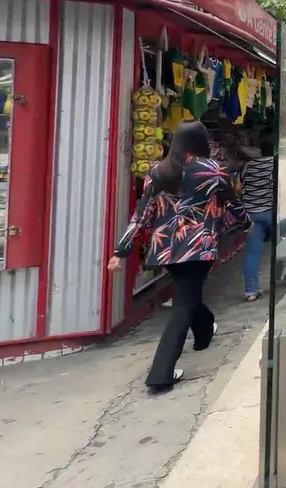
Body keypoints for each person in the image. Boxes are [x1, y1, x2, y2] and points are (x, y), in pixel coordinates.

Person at [108, 121, 250, 393]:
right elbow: (233, 204)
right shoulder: (213, 171)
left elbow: (142, 214)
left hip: (165, 250)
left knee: (187, 295)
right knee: (184, 304)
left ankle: (204, 332)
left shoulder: (157, 172)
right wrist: (245, 224)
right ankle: (161, 372)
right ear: (201, 142)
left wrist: (121, 249)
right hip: (198, 246)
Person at [238, 133, 277, 301]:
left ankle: (251, 291)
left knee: (252, 253)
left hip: (252, 214)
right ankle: (285, 279)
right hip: (272, 211)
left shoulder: (248, 166)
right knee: (283, 245)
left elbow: (239, 188)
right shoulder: (276, 164)